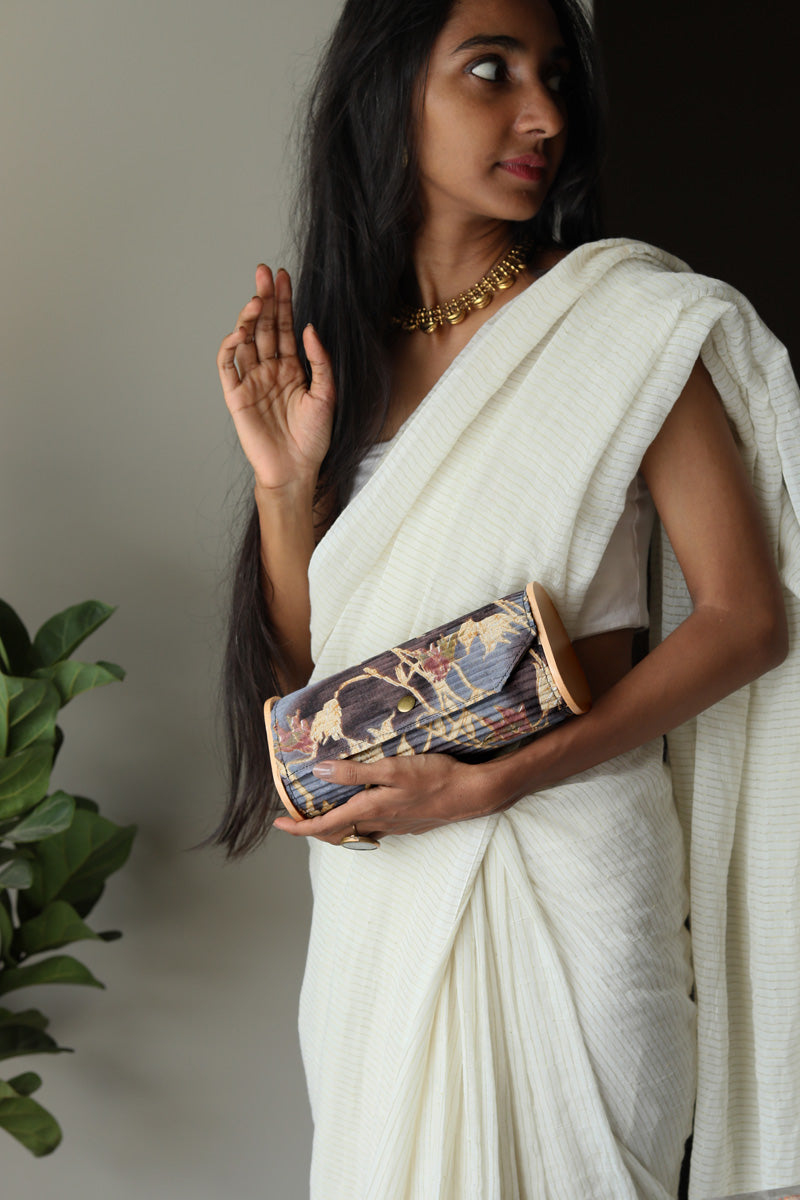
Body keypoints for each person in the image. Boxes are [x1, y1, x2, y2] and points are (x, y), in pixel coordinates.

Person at [213, 0, 800, 1197]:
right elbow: (306, 702)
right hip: (381, 908)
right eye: (489, 70)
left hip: (569, 869)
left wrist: (493, 783)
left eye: (553, 78)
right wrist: (282, 484)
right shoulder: (339, 362)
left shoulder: (620, 325)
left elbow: (746, 618)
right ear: (387, 91)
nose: (541, 116)